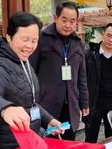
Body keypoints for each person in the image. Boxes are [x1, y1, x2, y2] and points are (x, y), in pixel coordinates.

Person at [0, 12, 63, 149]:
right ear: (9, 37)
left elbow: (29, 102)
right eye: (25, 39)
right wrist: (5, 108)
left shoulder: (22, 59)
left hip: (27, 144)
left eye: (34, 41)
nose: (30, 46)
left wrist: (48, 119)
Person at [31, 2, 89, 140]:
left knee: (68, 146)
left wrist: (85, 102)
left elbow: (82, 75)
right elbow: (30, 72)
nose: (68, 25)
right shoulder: (41, 38)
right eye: (64, 20)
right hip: (47, 106)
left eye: (72, 21)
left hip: (70, 106)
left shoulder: (77, 42)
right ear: (55, 18)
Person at [84, 23, 112, 143]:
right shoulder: (89, 55)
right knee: (90, 139)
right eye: (108, 35)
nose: (111, 40)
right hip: (94, 103)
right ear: (103, 35)